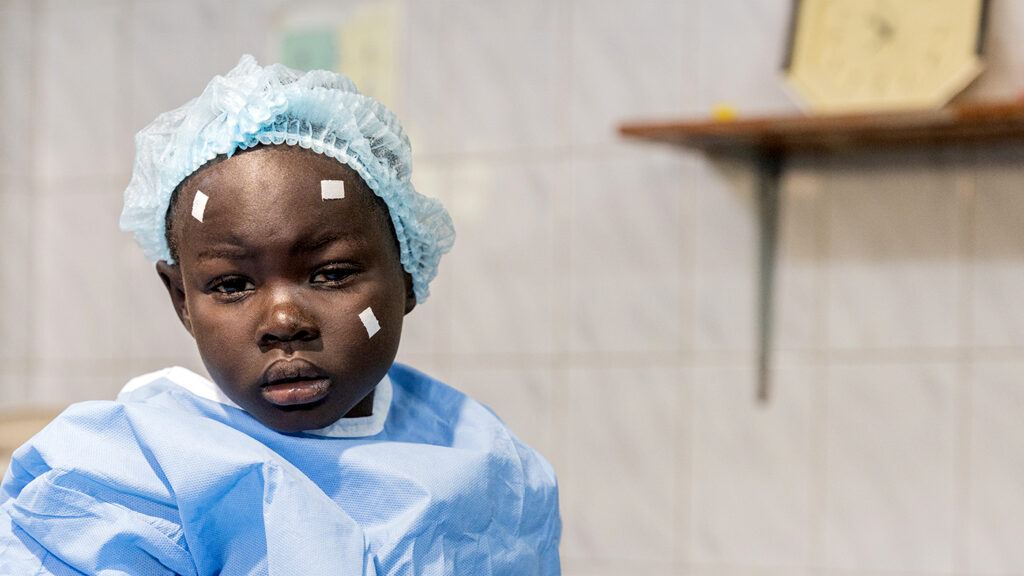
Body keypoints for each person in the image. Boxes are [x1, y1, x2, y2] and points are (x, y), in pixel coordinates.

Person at [0, 55, 561, 575]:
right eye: (232, 284)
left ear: (407, 275)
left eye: (332, 273)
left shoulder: (484, 458)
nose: (284, 319)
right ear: (182, 302)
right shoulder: (126, 478)